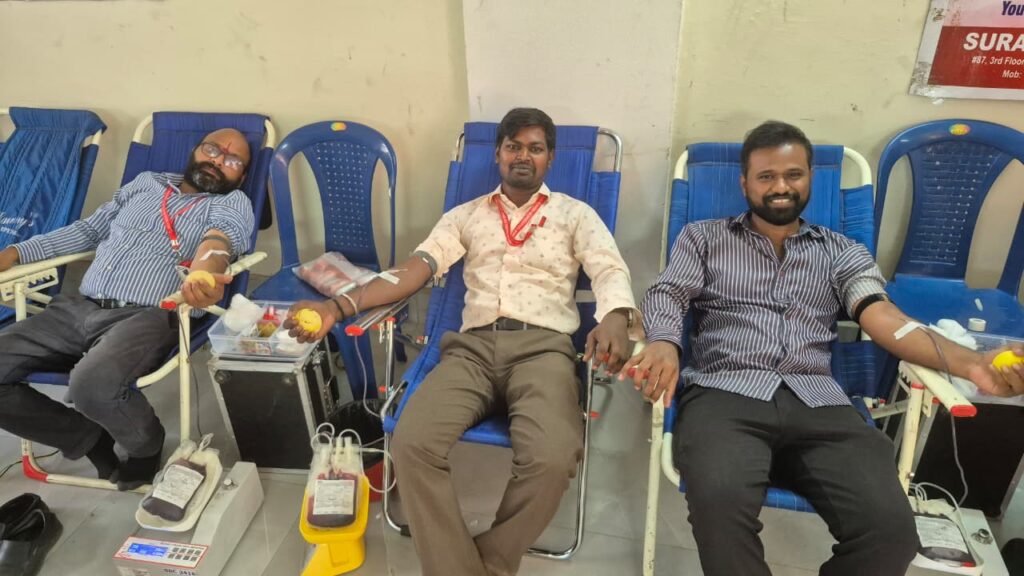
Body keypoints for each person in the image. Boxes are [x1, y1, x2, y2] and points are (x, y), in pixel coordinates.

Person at [623, 120, 1024, 576]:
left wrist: (973, 364)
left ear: (810, 177)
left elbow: (883, 316)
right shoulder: (704, 238)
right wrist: (664, 342)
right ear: (745, 183)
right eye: (766, 176)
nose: (780, 187)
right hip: (724, 395)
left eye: (793, 174)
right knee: (719, 503)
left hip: (819, 403)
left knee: (892, 533)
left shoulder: (842, 252)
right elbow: (669, 293)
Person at [286, 107, 641, 576]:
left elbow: (609, 269)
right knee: (411, 442)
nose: (523, 156)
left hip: (543, 352)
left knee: (553, 458)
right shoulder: (466, 216)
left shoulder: (575, 215)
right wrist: (337, 306)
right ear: (498, 154)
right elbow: (413, 272)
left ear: (550, 158)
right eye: (513, 146)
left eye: (535, 148)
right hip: (471, 351)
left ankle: (485, 563)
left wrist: (615, 316)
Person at [0, 128, 255, 491]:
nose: (217, 160)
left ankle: (146, 444)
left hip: (148, 316)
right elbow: (88, 231)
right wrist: (16, 252)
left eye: (232, 160)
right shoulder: (146, 183)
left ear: (241, 177)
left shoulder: (232, 203)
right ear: (195, 151)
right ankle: (85, 436)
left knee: (92, 385)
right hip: (75, 307)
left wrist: (204, 275)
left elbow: (219, 242)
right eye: (212, 149)